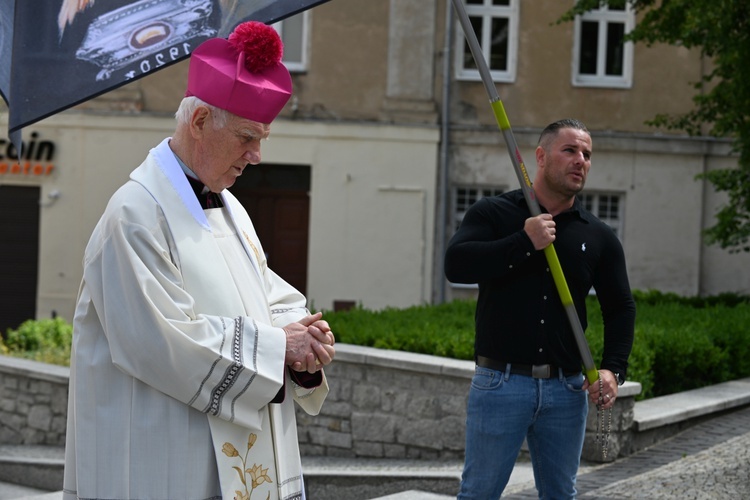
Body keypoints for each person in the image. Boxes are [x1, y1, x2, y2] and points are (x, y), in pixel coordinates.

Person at [62, 21, 335, 500]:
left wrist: (304, 341)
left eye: (262, 139)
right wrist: (277, 349)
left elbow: (267, 294)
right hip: (165, 459)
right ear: (201, 121)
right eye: (248, 137)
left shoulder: (230, 208)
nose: (256, 156)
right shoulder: (135, 214)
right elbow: (161, 340)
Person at [444, 118, 636, 499]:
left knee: (560, 495)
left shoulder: (597, 235)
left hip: (567, 389)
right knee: (479, 492)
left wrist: (614, 368)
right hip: (500, 382)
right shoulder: (494, 213)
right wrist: (523, 240)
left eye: (586, 154)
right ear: (541, 156)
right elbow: (456, 265)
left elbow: (620, 307)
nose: (580, 160)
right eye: (570, 151)